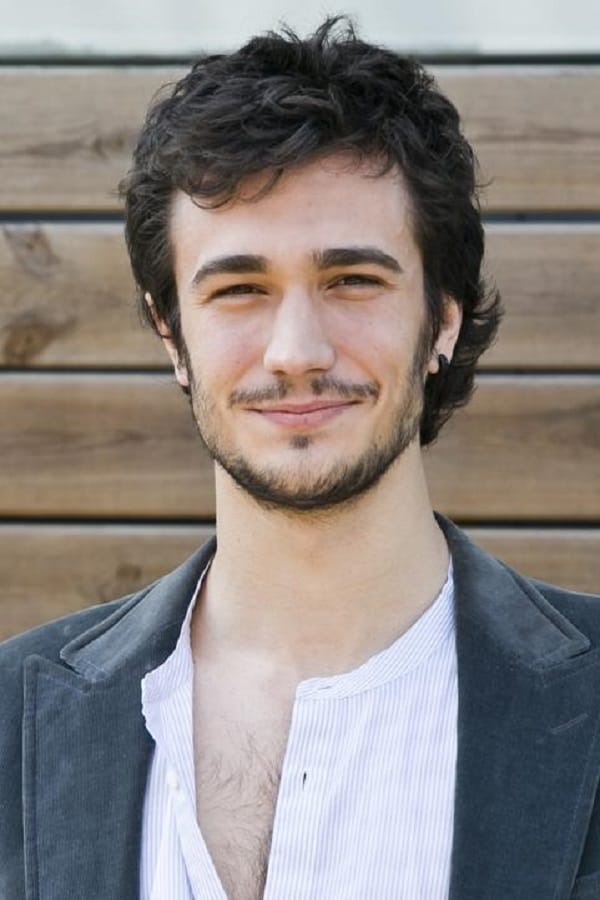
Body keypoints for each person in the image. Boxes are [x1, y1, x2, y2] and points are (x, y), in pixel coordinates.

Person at [2, 17, 600, 900]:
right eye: (240, 289)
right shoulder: (11, 716)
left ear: (442, 316)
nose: (295, 352)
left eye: (352, 280)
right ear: (171, 333)